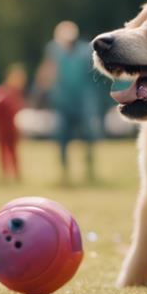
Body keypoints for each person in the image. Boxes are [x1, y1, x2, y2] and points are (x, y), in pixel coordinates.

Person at [35, 21, 101, 184]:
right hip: (62, 102)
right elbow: (46, 72)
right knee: (62, 138)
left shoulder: (86, 51)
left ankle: (89, 170)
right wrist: (39, 93)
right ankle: (65, 172)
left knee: (88, 136)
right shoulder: (54, 50)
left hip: (83, 102)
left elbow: (94, 76)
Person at [0, 64, 26, 182]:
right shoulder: (3, 92)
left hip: (12, 129)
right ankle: (4, 174)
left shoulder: (17, 94)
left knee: (14, 153)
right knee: (3, 153)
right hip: (2, 129)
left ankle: (16, 174)